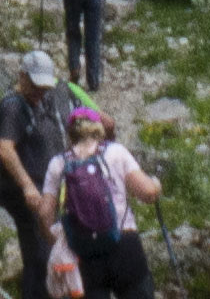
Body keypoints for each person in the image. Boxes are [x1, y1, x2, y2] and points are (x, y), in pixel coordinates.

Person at [43, 102, 160, 299]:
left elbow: (44, 212)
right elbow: (147, 193)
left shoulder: (59, 163)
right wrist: (156, 184)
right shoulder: (116, 152)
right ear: (99, 129)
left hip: (84, 250)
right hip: (124, 244)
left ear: (70, 133)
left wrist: (55, 240)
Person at [0, 51, 65, 298]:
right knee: (39, 256)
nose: (40, 90)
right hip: (28, 194)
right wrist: (28, 185)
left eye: (44, 85)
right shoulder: (12, 108)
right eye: (35, 84)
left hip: (48, 191)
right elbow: (5, 149)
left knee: (49, 251)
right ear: (22, 77)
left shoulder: (44, 101)